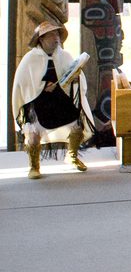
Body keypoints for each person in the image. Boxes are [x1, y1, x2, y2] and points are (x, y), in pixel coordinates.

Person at [12, 21, 94, 179]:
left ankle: (72, 156)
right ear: (41, 39)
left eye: (57, 34)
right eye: (51, 35)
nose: (56, 38)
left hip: (59, 101)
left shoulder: (64, 56)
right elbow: (22, 84)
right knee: (34, 133)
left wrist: (75, 78)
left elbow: (73, 77)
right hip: (37, 104)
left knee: (77, 125)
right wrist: (42, 87)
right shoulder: (30, 59)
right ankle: (34, 166)